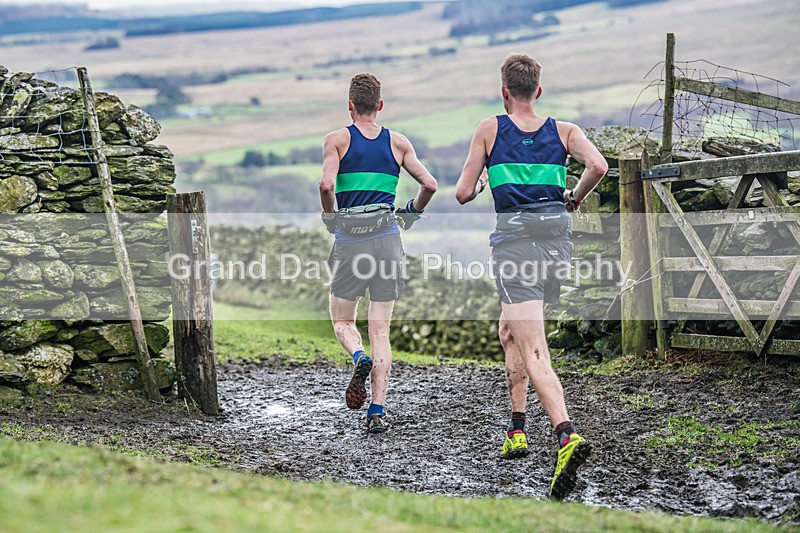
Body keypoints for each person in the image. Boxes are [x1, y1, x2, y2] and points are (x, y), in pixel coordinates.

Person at [454, 53, 607, 499]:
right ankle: (517, 431)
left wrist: (483, 182)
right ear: (537, 91)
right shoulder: (564, 131)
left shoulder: (489, 129)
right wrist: (573, 198)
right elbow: (598, 167)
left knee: (534, 348)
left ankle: (566, 434)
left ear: (504, 92)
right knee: (509, 331)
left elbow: (463, 192)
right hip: (556, 247)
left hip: (517, 249)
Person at [319, 73, 437, 434]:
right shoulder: (398, 143)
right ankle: (377, 411)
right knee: (381, 328)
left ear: (350, 105)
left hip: (351, 240)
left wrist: (330, 217)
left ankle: (359, 357)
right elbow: (430, 184)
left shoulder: (337, 140)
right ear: (380, 105)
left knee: (343, 320)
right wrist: (410, 215)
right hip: (387, 239)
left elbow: (326, 183)